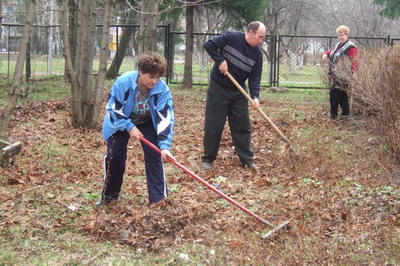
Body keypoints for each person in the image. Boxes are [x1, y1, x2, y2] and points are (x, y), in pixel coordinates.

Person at [101, 52, 174, 205]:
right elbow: (113, 109)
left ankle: (158, 200)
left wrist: (164, 146)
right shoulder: (123, 82)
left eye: (157, 77)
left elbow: (165, 119)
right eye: (151, 77)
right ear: (141, 72)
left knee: (155, 156)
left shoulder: (162, 89)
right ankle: (109, 198)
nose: (154, 81)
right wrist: (129, 126)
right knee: (115, 156)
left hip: (148, 121)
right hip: (120, 122)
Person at [201, 21, 266, 174]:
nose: (261, 41)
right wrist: (220, 61)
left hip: (238, 91)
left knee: (242, 126)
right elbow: (209, 45)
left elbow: (255, 77)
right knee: (214, 125)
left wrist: (255, 96)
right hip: (219, 88)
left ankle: (247, 160)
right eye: (260, 37)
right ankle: (208, 159)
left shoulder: (257, 54)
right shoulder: (231, 37)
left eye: (263, 38)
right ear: (250, 32)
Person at [322, 25, 359, 120]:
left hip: (344, 75)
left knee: (333, 93)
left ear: (347, 35)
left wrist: (354, 72)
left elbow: (355, 60)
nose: (340, 37)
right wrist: (325, 54)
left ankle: (333, 115)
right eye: (338, 35)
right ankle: (346, 113)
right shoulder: (339, 45)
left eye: (342, 35)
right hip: (337, 73)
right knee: (342, 94)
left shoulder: (351, 47)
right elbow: (332, 52)